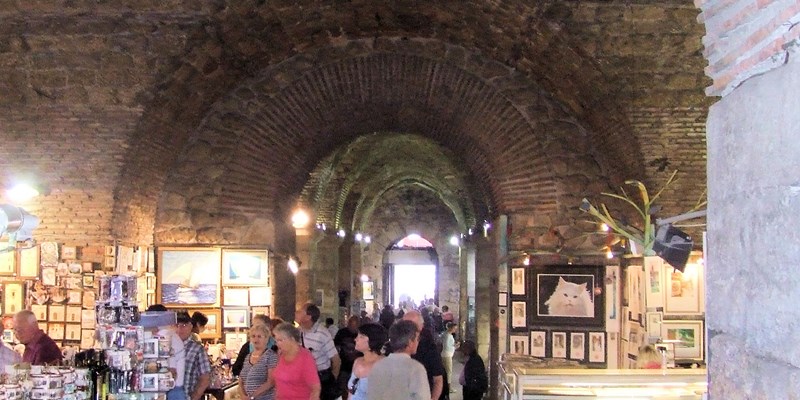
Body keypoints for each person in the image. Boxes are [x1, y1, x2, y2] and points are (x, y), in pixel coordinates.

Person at [367, 320, 429, 400]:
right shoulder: (416, 368)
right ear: (410, 342)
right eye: (417, 339)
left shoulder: (377, 365)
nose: (418, 342)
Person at [295, 303, 342, 400]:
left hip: (322, 378)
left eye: (300, 311)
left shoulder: (322, 334)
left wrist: (332, 379)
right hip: (304, 379)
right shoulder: (297, 332)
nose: (296, 313)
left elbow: (336, 360)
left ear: (308, 317)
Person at [268, 322, 321, 399]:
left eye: (280, 340)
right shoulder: (281, 355)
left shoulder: (305, 357)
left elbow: (315, 388)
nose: (277, 344)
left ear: (292, 339)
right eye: (276, 341)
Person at [403, 310, 446, 400]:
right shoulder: (396, 344)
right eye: (404, 324)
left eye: (411, 325)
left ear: (421, 326)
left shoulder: (429, 348)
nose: (407, 328)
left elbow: (438, 379)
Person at [176, 311, 211, 400]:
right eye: (177, 325)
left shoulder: (197, 349)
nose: (180, 329)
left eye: (184, 325)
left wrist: (193, 398)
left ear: (190, 326)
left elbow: (205, 378)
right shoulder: (165, 347)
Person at [346, 323, 387, 400]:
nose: (355, 339)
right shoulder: (357, 361)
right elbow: (351, 392)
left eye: (361, 336)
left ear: (372, 341)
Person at [238, 324, 279, 400]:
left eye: (259, 336)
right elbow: (241, 380)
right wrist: (242, 395)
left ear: (266, 338)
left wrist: (252, 396)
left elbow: (271, 381)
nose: (256, 339)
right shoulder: (248, 357)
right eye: (253, 336)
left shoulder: (271, 356)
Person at [334, 316, 361, 399]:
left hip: (357, 367)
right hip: (344, 365)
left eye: (355, 326)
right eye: (351, 325)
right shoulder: (342, 333)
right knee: (341, 387)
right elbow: (336, 346)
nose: (353, 328)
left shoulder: (361, 334)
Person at [439, 322, 457, 393]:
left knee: (445, 371)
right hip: (447, 355)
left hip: (444, 354)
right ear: (450, 328)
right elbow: (446, 346)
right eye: (454, 328)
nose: (455, 330)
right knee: (448, 372)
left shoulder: (445, 334)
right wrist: (455, 347)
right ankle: (448, 388)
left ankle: (445, 387)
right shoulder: (448, 336)